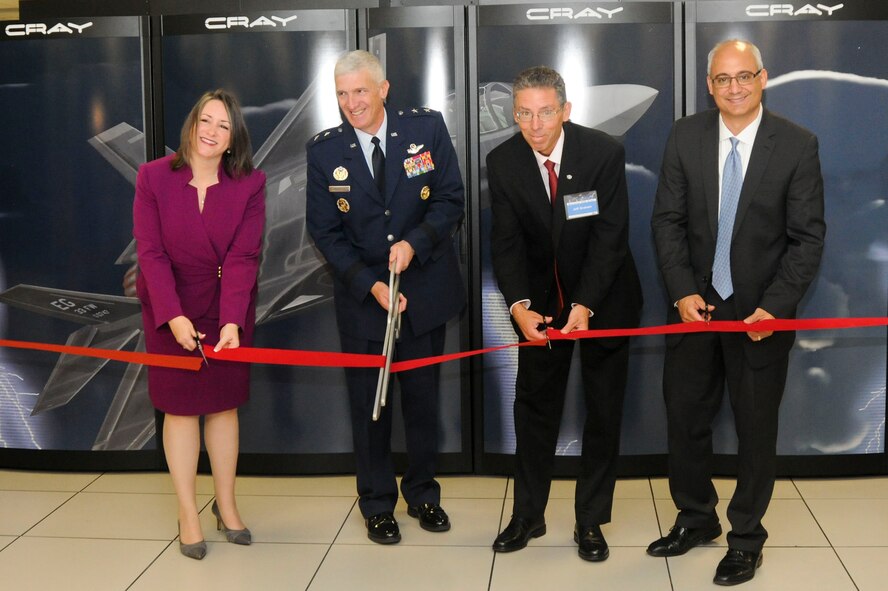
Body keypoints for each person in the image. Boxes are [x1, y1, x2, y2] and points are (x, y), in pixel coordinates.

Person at [648, 39, 825, 585]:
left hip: (759, 320)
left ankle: (746, 539)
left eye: (744, 76)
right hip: (694, 313)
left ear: (762, 78)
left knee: (755, 432)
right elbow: (667, 222)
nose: (735, 88)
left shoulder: (796, 144)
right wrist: (681, 291)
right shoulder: (685, 136)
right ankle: (695, 518)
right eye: (723, 79)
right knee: (685, 421)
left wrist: (774, 307)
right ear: (710, 86)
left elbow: (807, 240)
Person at [305, 50, 465, 544]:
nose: (351, 102)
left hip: (424, 290)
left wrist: (415, 244)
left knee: (422, 401)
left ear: (383, 89)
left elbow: (450, 199)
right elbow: (325, 232)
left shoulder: (425, 129)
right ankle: (377, 503)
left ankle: (423, 494)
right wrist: (368, 284)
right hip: (363, 297)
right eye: (342, 93)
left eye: (360, 91)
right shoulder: (324, 151)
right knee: (369, 409)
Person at [487, 66, 643, 561]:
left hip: (604, 299)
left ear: (566, 111)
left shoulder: (603, 153)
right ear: (514, 115)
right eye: (524, 114)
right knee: (534, 411)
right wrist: (518, 307)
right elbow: (506, 244)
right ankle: (527, 515)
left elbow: (611, 235)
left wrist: (585, 303)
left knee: (603, 411)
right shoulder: (503, 162)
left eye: (546, 112)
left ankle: (590, 520)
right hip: (540, 307)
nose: (535, 125)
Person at [133, 89, 266, 560]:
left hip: (226, 306)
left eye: (223, 126)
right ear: (191, 124)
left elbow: (244, 256)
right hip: (167, 306)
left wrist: (232, 321)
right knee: (181, 409)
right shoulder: (153, 177)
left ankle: (225, 505)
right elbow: (150, 253)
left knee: (224, 407)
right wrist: (172, 315)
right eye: (205, 120)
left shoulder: (250, 184)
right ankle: (188, 512)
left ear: (233, 140)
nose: (211, 131)